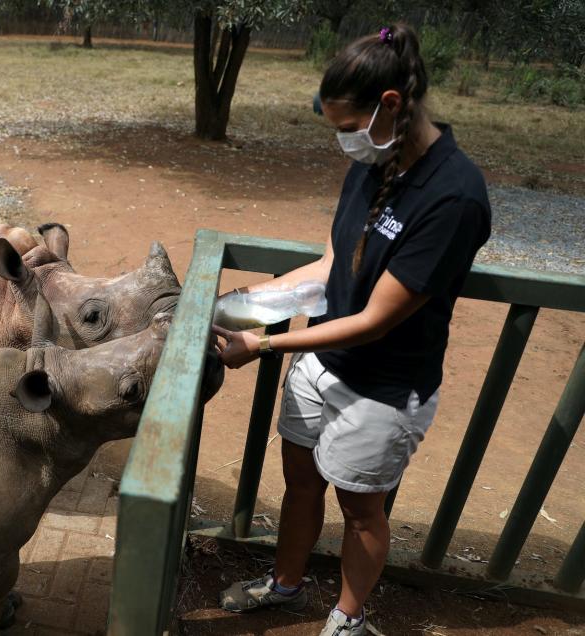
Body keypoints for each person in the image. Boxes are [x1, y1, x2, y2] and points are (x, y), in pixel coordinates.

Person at [213, 24, 491, 636]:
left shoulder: (454, 198)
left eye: (346, 128)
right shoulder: (378, 160)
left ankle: (347, 617)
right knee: (300, 487)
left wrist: (261, 344)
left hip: (383, 389)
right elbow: (336, 263)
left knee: (362, 511)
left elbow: (370, 323)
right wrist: (234, 305)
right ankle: (285, 585)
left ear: (390, 105)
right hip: (320, 366)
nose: (344, 142)